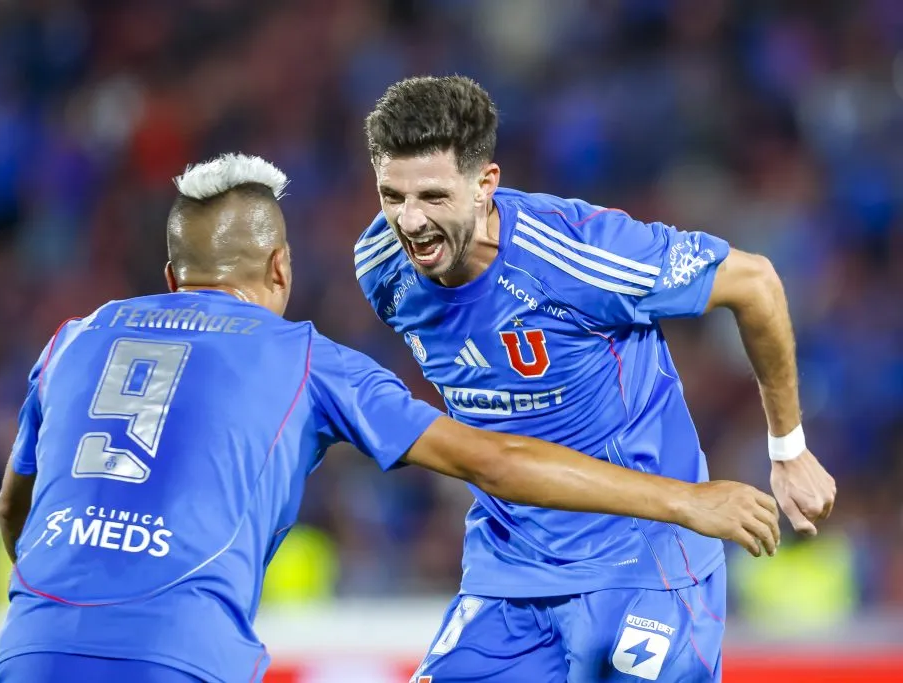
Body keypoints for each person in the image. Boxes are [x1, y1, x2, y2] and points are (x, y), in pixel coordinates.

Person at [0, 153, 779, 683]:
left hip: (26, 649)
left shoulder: (74, 337)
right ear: (279, 268)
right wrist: (685, 499)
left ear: (170, 275)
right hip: (183, 656)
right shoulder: (300, 355)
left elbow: (12, 511)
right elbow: (493, 462)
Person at [355, 76, 837, 683]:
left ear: (485, 186)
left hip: (648, 559)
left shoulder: (578, 250)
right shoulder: (380, 268)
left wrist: (788, 448)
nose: (410, 222)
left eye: (432, 196)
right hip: (511, 575)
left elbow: (756, 283)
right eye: (391, 196)